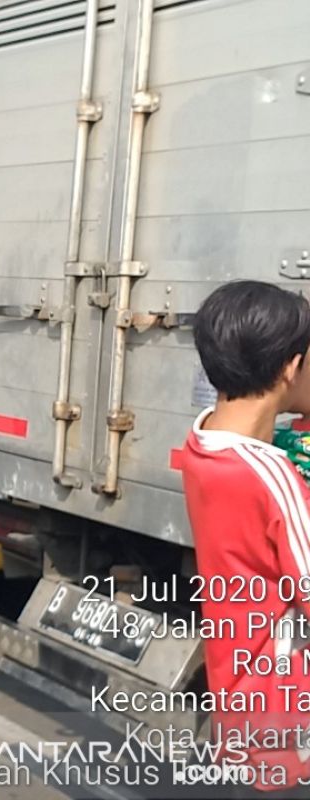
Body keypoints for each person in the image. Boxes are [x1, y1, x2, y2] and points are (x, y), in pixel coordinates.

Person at [179, 281, 310, 798]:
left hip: (239, 706)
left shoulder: (204, 445)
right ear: (289, 368)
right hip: (286, 717)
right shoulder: (271, 476)